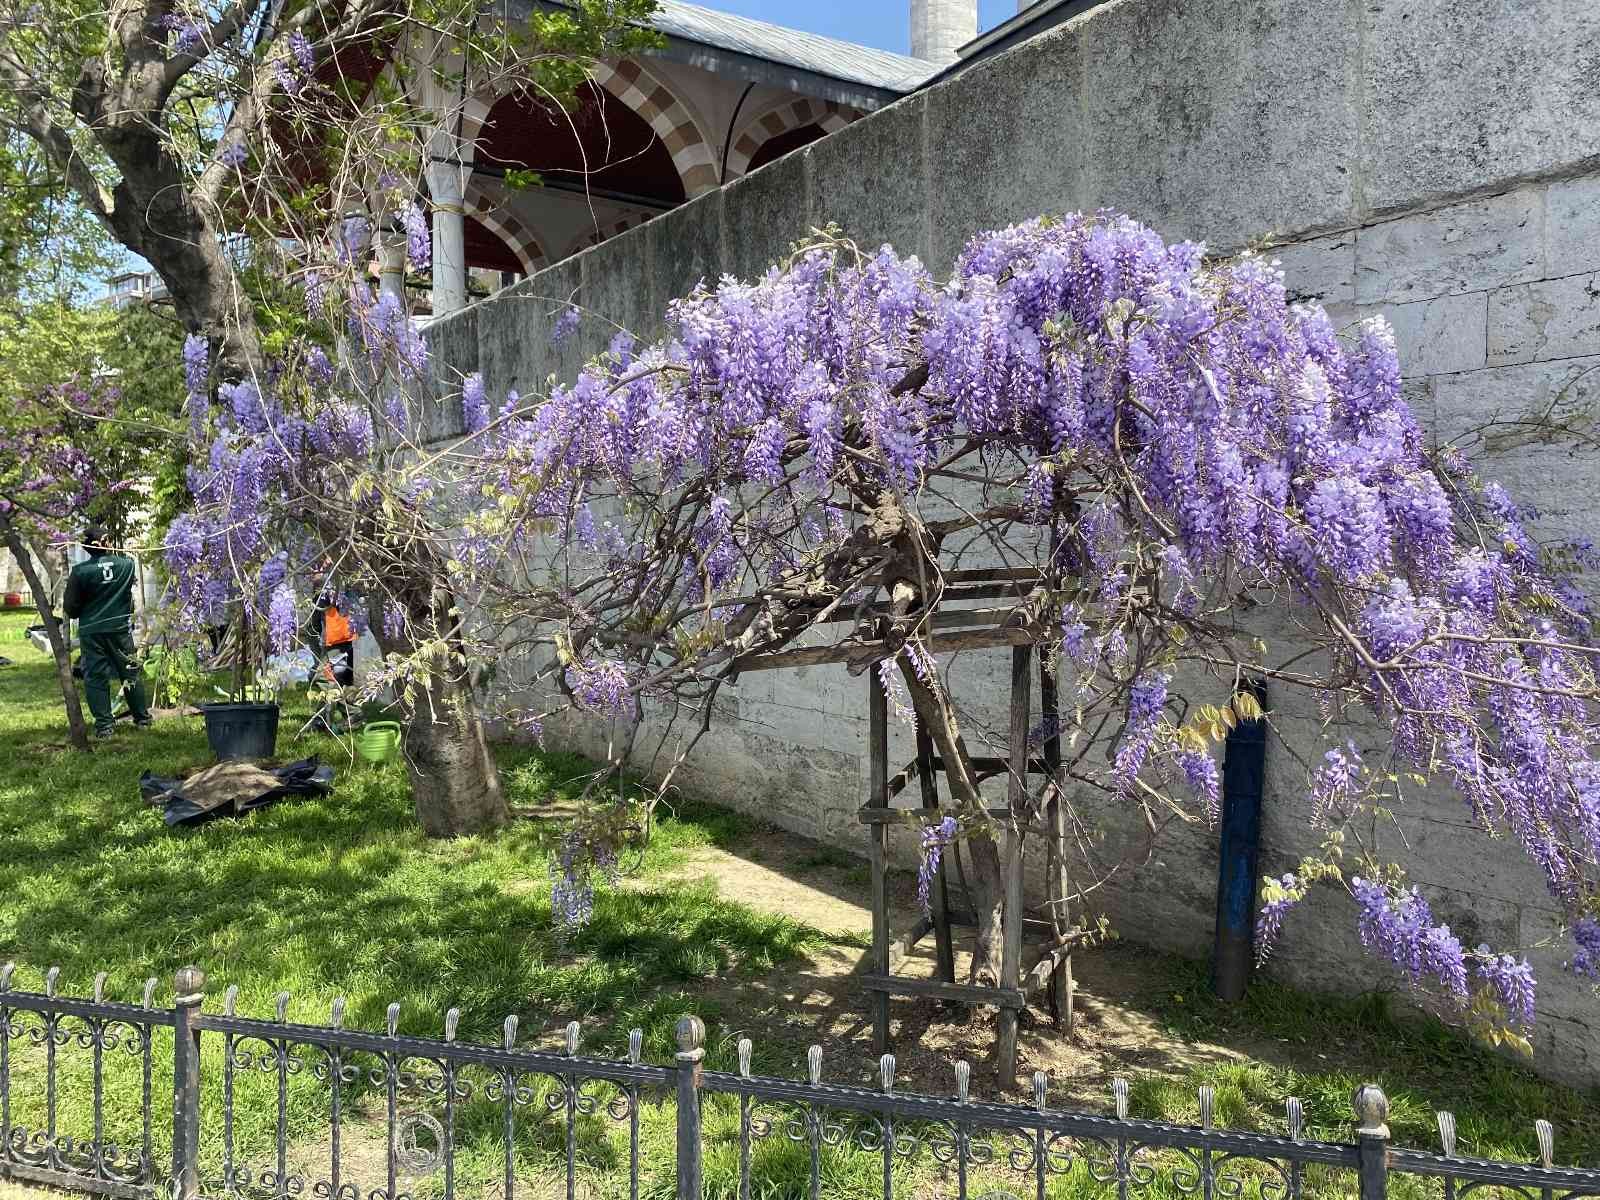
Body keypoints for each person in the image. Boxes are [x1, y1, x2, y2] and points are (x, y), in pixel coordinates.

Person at [62, 523, 153, 738]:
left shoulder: (80, 572)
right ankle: (142, 718)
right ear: (106, 543)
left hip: (92, 630)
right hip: (120, 628)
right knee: (130, 672)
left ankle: (104, 726)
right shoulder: (127, 564)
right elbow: (128, 594)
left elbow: (71, 609)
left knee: (95, 676)